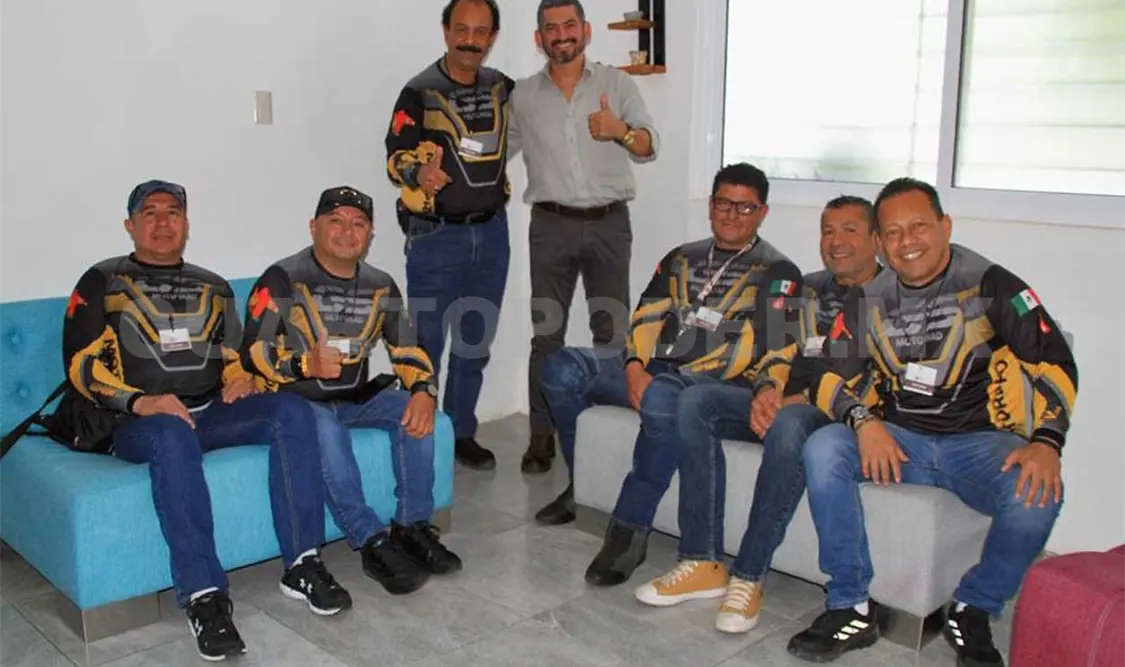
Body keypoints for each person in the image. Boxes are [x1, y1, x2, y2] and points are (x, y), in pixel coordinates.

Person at [787, 178, 1077, 667]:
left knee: (1039, 494)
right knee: (824, 447)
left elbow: (1055, 360)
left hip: (980, 445)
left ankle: (974, 608)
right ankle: (850, 605)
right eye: (893, 232)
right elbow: (825, 376)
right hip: (901, 441)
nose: (907, 241)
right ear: (881, 243)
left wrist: (1048, 441)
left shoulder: (990, 283)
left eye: (919, 226)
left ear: (945, 226)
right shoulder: (867, 299)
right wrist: (864, 422)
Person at [61, 180, 348, 662]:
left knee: (291, 410)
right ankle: (204, 596)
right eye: (150, 213)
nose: (162, 222)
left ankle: (303, 562)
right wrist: (141, 402)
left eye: (173, 212)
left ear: (186, 223)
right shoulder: (101, 281)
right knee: (172, 431)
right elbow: (79, 365)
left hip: (210, 412)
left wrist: (241, 379)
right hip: (137, 422)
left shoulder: (213, 286)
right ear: (130, 225)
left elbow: (232, 355)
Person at [630, 196, 883, 635]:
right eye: (827, 231)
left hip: (831, 413)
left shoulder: (889, 296)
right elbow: (778, 348)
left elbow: (877, 378)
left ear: (875, 239)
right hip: (782, 399)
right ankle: (702, 560)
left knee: (788, 424)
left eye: (850, 231)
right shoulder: (809, 287)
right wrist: (768, 387)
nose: (836, 242)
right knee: (696, 401)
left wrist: (796, 400)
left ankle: (748, 576)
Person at [535, 164, 802, 540]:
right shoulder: (683, 256)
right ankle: (581, 486)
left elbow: (775, 345)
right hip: (656, 370)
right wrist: (634, 366)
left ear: (762, 213)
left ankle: (630, 529)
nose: (731, 214)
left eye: (745, 207)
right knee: (561, 368)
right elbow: (645, 318)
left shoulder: (779, 271)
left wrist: (673, 378)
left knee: (663, 392)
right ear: (710, 206)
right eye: (723, 203)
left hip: (714, 387)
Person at [240, 186, 461, 598]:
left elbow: (407, 347)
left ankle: (412, 526)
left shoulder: (381, 285)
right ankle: (371, 541)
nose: (347, 232)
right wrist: (305, 365)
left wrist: (424, 389)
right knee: (324, 429)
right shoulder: (282, 278)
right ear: (314, 227)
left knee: (414, 411)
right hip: (295, 401)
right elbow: (253, 351)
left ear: (370, 234)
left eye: (358, 224)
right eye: (336, 221)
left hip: (355, 397)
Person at [508, 0, 661, 475]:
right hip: (550, 225)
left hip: (609, 223)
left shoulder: (617, 84)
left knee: (612, 333)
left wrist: (620, 131)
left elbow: (649, 145)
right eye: (551, 28)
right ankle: (541, 435)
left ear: (586, 31)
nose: (561, 35)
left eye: (569, 25)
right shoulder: (522, 96)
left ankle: (611, 433)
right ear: (539, 39)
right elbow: (497, 151)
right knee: (546, 334)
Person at [384, 0, 513, 471]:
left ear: (492, 36)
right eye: (462, 29)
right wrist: (418, 174)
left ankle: (460, 432)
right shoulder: (418, 91)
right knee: (425, 345)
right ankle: (419, 438)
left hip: (492, 234)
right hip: (436, 237)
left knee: (474, 343)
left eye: (480, 32)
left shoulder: (502, 87)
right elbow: (395, 155)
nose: (470, 41)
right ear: (445, 30)